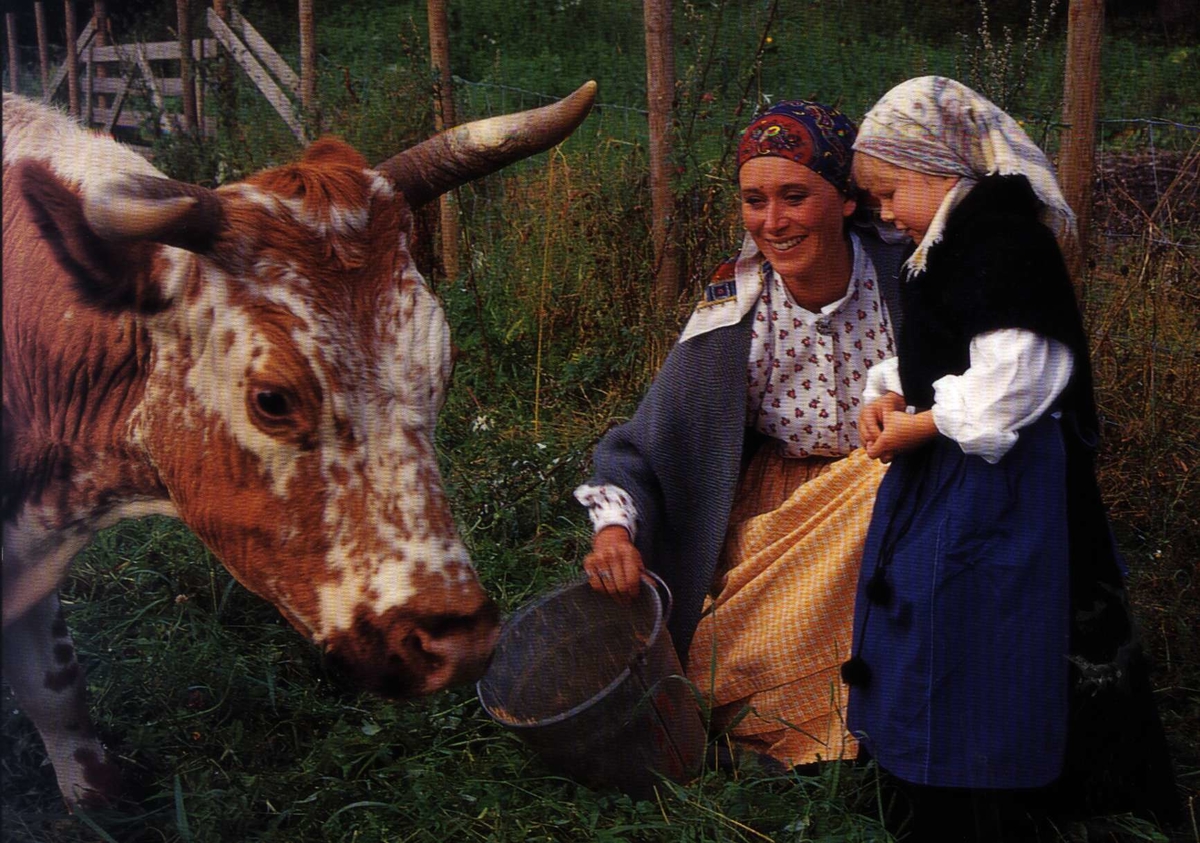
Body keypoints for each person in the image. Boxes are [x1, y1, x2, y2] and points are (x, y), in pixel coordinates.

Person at [843, 75, 1179, 839]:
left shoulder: (1002, 239)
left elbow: (1015, 380)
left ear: (938, 167)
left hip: (1006, 487)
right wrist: (887, 391)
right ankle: (926, 771)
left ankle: (990, 788)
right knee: (929, 618)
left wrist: (919, 428)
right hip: (951, 467)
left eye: (890, 192)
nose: (885, 214)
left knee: (985, 628)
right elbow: (942, 346)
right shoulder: (949, 237)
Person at [574, 100, 908, 769]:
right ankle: (788, 713)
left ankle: (879, 719)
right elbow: (645, 439)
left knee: (884, 490)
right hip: (781, 510)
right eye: (755, 201)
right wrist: (613, 530)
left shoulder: (902, 278)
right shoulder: (738, 304)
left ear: (845, 200)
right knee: (735, 646)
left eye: (794, 196)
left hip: (893, 490)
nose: (772, 222)